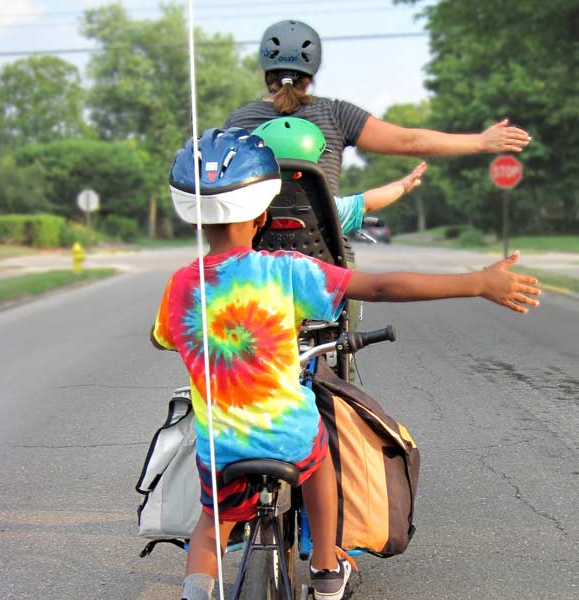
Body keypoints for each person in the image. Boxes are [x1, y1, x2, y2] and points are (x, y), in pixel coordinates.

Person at [153, 128, 540, 600]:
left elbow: (165, 339)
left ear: (194, 220)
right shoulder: (286, 271)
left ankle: (195, 592)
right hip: (288, 436)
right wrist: (477, 282)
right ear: (261, 215)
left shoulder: (179, 287)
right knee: (319, 462)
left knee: (210, 526)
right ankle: (325, 568)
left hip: (221, 446)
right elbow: (380, 287)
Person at [225, 19, 531, 196]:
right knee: (347, 295)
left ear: (267, 69)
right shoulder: (335, 114)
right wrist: (481, 141)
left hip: (254, 260)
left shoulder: (238, 122)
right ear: (312, 73)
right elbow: (411, 142)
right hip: (323, 258)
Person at [252, 116, 426, 235]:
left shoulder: (246, 207)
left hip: (256, 287)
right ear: (301, 171)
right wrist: (403, 185)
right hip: (318, 287)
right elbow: (368, 202)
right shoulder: (326, 207)